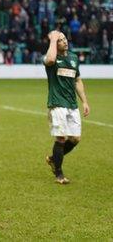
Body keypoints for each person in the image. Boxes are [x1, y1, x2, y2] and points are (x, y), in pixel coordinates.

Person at [43, 30, 90, 184]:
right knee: (61, 138)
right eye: (60, 40)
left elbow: (77, 80)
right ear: (55, 44)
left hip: (72, 104)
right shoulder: (52, 59)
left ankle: (52, 159)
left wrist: (84, 101)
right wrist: (52, 39)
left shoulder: (74, 58)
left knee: (75, 139)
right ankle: (59, 174)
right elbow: (49, 59)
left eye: (64, 39)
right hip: (57, 104)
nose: (65, 41)